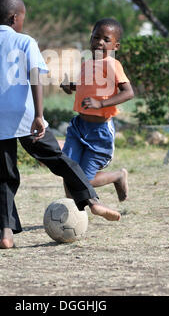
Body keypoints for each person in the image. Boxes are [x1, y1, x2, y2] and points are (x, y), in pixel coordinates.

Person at [0, 0, 121, 250]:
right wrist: (39, 115)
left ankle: (6, 234)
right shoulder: (25, 41)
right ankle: (93, 202)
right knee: (60, 160)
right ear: (15, 18)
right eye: (23, 18)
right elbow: (35, 78)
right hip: (25, 119)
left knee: (5, 178)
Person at [60, 18, 134, 203]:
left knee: (87, 178)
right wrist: (71, 86)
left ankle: (118, 176)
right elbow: (87, 86)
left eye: (106, 39)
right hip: (78, 127)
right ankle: (73, 209)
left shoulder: (113, 65)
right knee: (68, 168)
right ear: (90, 39)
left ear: (115, 46)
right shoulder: (87, 64)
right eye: (96, 37)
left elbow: (128, 92)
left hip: (99, 133)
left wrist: (101, 104)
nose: (100, 42)